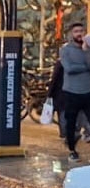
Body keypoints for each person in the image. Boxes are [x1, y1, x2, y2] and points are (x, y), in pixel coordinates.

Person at [59, 22, 90, 162]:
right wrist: (85, 67)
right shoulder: (66, 50)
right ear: (72, 34)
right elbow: (69, 68)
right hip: (71, 92)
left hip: (87, 91)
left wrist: (86, 51)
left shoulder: (88, 49)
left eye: (81, 31)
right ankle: (72, 150)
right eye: (76, 31)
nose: (79, 33)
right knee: (71, 123)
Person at [48, 58, 90, 143]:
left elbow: (55, 79)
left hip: (63, 94)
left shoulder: (61, 62)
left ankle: (68, 134)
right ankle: (76, 132)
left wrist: (49, 94)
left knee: (64, 115)